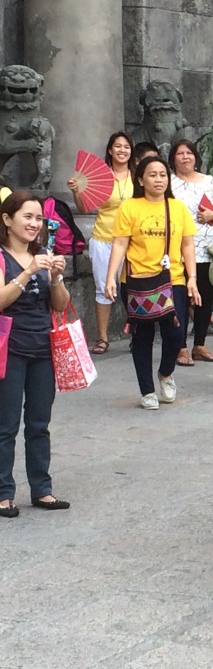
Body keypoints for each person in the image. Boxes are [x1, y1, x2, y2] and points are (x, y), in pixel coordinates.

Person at [105, 156, 200, 410]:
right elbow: (120, 243)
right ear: (140, 180)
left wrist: (192, 278)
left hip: (173, 279)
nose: (158, 179)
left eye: (162, 175)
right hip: (137, 281)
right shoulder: (130, 207)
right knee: (142, 335)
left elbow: (188, 244)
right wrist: (111, 277)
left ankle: (166, 373)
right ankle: (146, 389)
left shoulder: (177, 208)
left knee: (176, 332)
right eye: (152, 175)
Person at [0, 191, 72, 517]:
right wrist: (28, 271)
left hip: (43, 347)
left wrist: (55, 276)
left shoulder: (43, 253)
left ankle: (42, 489)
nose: (34, 223)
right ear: (7, 220)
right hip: (10, 349)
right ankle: (4, 493)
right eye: (27, 217)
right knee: (6, 425)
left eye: (38, 218)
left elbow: (59, 304)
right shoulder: (3, 257)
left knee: (39, 423)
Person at [67, 131, 134, 354]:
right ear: (110, 150)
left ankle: (137, 332)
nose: (122, 150)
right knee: (103, 289)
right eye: (118, 146)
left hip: (134, 240)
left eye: (126, 146)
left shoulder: (138, 176)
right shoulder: (101, 177)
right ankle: (103, 337)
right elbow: (85, 208)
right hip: (104, 238)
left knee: (135, 289)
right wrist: (77, 192)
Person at [169, 138, 213, 364]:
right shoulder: (169, 183)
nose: (185, 157)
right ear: (173, 158)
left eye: (189, 153)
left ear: (196, 157)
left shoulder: (209, 182)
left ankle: (200, 345)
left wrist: (211, 216)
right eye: (180, 153)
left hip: (206, 250)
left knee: (204, 298)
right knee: (180, 299)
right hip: (177, 251)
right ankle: (181, 347)